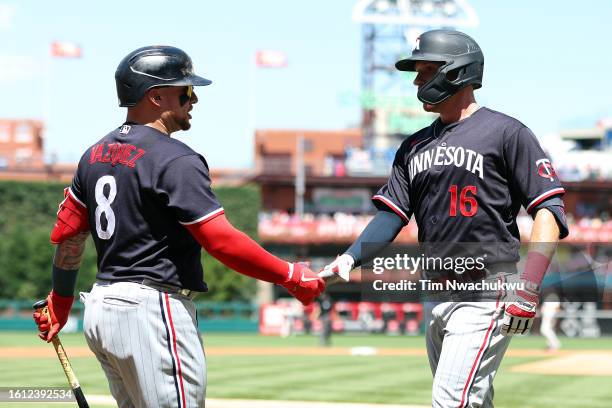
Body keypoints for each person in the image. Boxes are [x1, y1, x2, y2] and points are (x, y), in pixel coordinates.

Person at [32, 45, 324, 408]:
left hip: (101, 306)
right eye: (185, 90)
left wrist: (60, 301)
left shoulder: (93, 155)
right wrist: (290, 275)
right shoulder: (175, 158)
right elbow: (220, 241)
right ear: (156, 96)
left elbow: (70, 234)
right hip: (152, 310)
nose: (194, 98)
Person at [321, 29, 568, 407]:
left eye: (424, 70)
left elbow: (548, 209)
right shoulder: (413, 145)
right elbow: (392, 214)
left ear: (456, 72)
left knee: (452, 400)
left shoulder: (506, 132)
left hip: (486, 289)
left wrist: (529, 284)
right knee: (470, 400)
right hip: (437, 292)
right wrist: (350, 257)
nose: (417, 81)